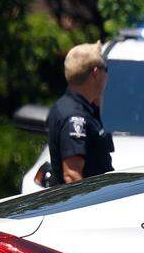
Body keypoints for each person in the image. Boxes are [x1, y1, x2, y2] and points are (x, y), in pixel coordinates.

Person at [47, 42, 113, 184]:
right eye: (106, 69)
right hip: (89, 203)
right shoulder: (75, 117)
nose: (108, 76)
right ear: (95, 74)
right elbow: (72, 175)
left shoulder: (83, 108)